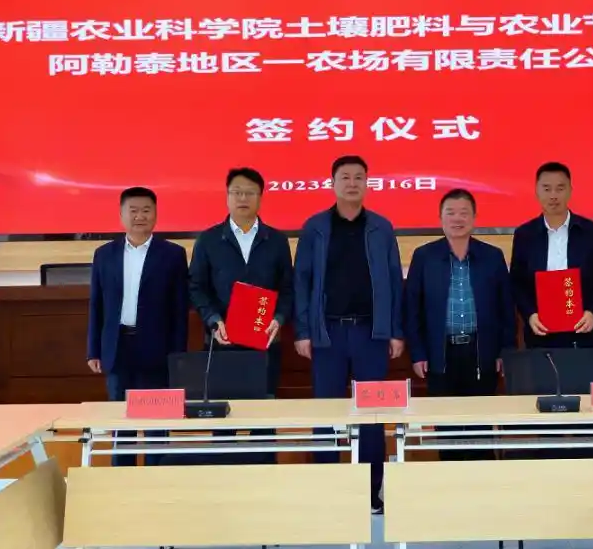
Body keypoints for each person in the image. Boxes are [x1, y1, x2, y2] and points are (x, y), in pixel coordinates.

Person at [294, 155, 404, 514]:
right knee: (327, 414)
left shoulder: (382, 228)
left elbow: (394, 282)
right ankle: (328, 491)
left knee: (372, 415)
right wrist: (303, 330)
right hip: (327, 333)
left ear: (367, 183)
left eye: (359, 177)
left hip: (371, 333)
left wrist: (395, 331)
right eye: (345, 177)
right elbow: (302, 281)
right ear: (333, 183)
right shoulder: (315, 228)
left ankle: (371, 492)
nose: (352, 183)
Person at [404, 188, 515, 460]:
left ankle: (481, 482)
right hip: (440, 354)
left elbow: (506, 308)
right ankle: (451, 479)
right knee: (447, 429)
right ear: (440, 218)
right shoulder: (424, 256)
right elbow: (412, 309)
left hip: (481, 352)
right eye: (450, 213)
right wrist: (417, 353)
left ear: (474, 218)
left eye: (464, 213)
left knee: (480, 428)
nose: (457, 218)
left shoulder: (492, 256)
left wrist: (505, 351)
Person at [86, 186, 189, 467]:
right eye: (133, 210)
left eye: (146, 210)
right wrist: (93, 349)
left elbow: (180, 310)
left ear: (156, 214)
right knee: (122, 422)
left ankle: (157, 473)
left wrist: (177, 356)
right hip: (117, 347)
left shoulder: (172, 254)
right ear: (121, 215)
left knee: (158, 423)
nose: (140, 216)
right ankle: (122, 475)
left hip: (157, 349)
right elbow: (96, 305)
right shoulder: (104, 254)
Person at [189, 167, 293, 397]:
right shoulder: (208, 240)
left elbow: (288, 288)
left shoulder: (276, 241)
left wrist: (279, 318)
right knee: (224, 411)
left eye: (250, 192)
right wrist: (213, 319)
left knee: (264, 411)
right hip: (222, 342)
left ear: (260, 197)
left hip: (265, 341)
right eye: (237, 192)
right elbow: (196, 287)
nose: (243, 198)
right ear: (227, 197)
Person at [509, 162, 593, 349]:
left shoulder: (591, 232)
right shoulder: (524, 234)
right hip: (539, 333)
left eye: (560, 188)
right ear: (537, 191)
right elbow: (517, 282)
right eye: (547, 189)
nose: (553, 195)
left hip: (581, 332)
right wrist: (530, 314)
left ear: (570, 191)